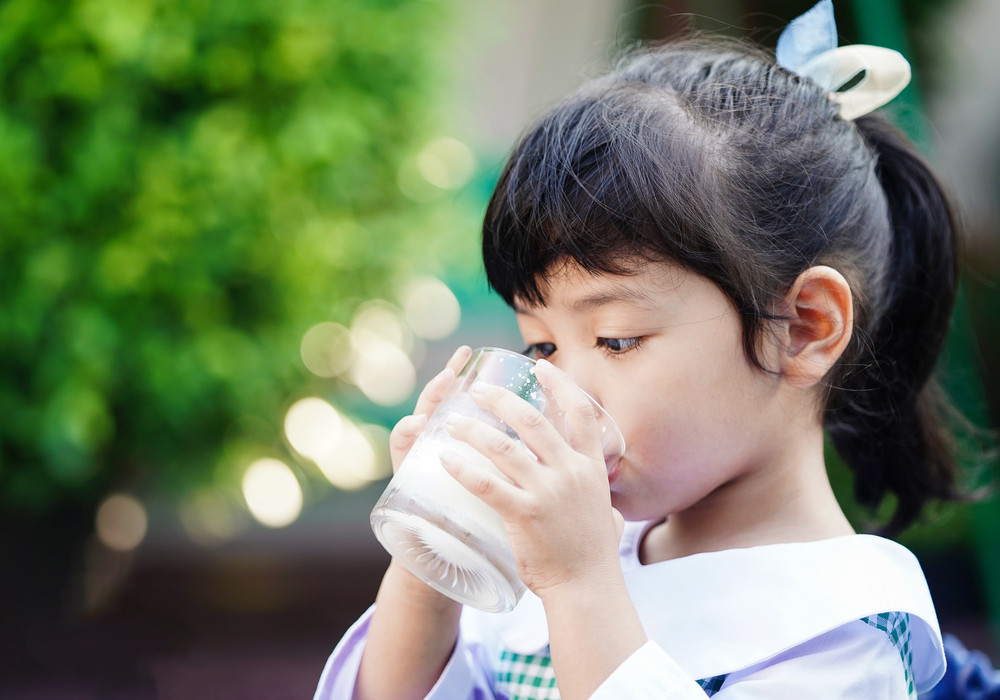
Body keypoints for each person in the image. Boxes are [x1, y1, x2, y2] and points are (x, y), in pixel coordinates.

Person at [314, 2, 967, 697]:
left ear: (803, 327)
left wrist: (578, 583)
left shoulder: (842, 626)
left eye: (616, 339)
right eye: (541, 346)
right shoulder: (577, 543)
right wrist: (438, 548)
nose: (564, 391)